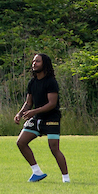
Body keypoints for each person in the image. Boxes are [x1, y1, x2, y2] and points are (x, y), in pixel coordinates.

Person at [14, 53, 70, 183]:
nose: (34, 63)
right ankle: (37, 172)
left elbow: (52, 104)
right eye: (33, 61)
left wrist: (33, 112)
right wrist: (20, 113)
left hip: (51, 118)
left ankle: (66, 179)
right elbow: (28, 102)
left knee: (54, 148)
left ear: (44, 64)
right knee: (21, 142)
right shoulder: (32, 82)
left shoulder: (51, 82)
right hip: (37, 118)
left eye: (37, 61)